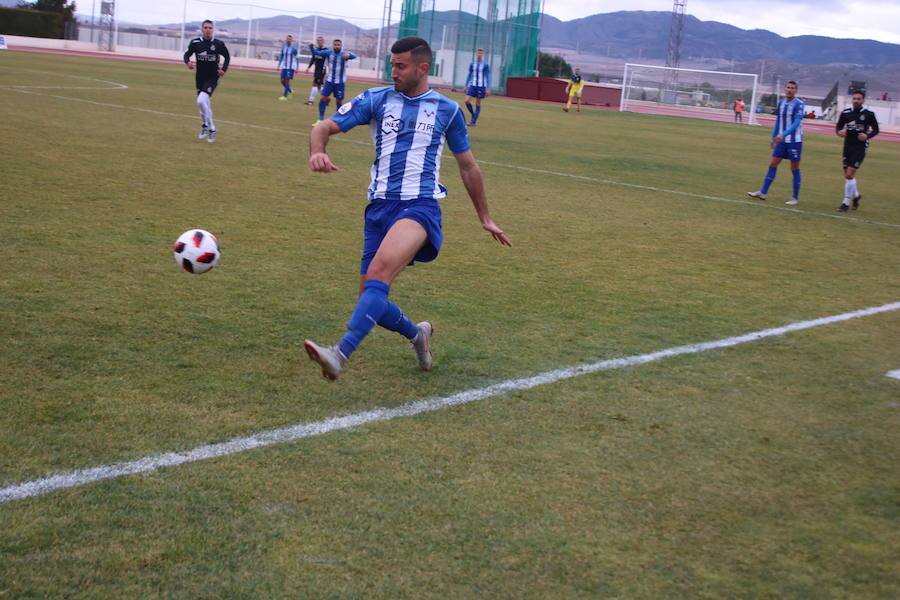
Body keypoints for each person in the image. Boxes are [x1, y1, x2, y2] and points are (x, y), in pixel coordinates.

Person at [304, 36, 511, 381]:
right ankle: (418, 334)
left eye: (401, 66)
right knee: (370, 300)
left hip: (420, 207)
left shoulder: (447, 110)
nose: (394, 72)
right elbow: (324, 126)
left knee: (380, 273)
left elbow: (468, 167)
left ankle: (339, 354)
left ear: (422, 68)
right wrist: (317, 150)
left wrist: (485, 218)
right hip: (378, 208)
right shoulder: (376, 99)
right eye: (392, 65)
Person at [747, 81, 805, 205]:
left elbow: (797, 123)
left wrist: (782, 134)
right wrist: (773, 137)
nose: (789, 90)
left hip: (794, 141)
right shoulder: (781, 103)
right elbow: (778, 121)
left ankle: (795, 198)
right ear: (785, 89)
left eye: (792, 88)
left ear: (795, 91)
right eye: (788, 87)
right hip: (781, 140)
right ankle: (763, 192)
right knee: (773, 164)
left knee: (794, 167)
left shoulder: (799, 104)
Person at [184, 20, 230, 143]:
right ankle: (205, 126)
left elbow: (227, 56)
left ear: (213, 29)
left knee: (200, 101)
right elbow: (187, 54)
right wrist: (188, 62)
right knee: (204, 104)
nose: (208, 29)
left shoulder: (218, 43)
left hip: (213, 77)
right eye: (205, 27)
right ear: (202, 29)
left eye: (210, 27)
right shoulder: (195, 43)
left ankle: (212, 128)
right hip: (200, 77)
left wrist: (223, 69)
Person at [835, 90, 879, 212]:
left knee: (849, 174)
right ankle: (857, 195)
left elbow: (876, 130)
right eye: (854, 98)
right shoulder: (846, 113)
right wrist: (840, 132)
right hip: (848, 146)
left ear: (863, 100)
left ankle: (845, 203)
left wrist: (867, 136)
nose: (856, 101)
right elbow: (838, 127)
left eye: (858, 99)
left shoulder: (869, 114)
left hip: (860, 147)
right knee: (848, 176)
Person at [309, 39, 357, 125]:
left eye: (338, 45)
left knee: (339, 101)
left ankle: (339, 120)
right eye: (335, 45)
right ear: (333, 45)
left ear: (341, 46)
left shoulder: (344, 54)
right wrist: (311, 48)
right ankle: (320, 119)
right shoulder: (328, 53)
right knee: (323, 98)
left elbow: (355, 56)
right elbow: (317, 53)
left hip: (340, 82)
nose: (337, 46)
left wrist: (349, 54)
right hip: (329, 81)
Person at [463, 48, 491, 126]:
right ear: (476, 54)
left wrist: (488, 88)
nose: (479, 55)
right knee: (466, 101)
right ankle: (473, 114)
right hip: (473, 85)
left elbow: (488, 76)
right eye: (478, 53)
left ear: (483, 54)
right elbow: (469, 74)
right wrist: (466, 85)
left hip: (481, 86)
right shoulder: (472, 63)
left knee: (478, 103)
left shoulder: (485, 64)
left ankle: (473, 122)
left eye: (481, 53)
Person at [275, 34, 299, 100]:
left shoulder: (294, 49)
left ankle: (284, 96)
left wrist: (297, 67)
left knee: (286, 81)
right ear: (286, 40)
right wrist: (278, 65)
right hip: (284, 66)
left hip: (291, 67)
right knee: (282, 81)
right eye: (288, 39)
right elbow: (281, 57)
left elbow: (297, 58)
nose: (289, 40)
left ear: (291, 40)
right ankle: (290, 90)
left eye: (290, 39)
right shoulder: (283, 48)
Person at [305, 35, 327, 106]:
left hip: (322, 70)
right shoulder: (316, 50)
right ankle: (326, 98)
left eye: (321, 40)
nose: (319, 42)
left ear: (323, 42)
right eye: (318, 41)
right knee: (319, 86)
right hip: (316, 70)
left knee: (315, 84)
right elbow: (313, 59)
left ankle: (311, 101)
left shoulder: (326, 50)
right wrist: (308, 67)